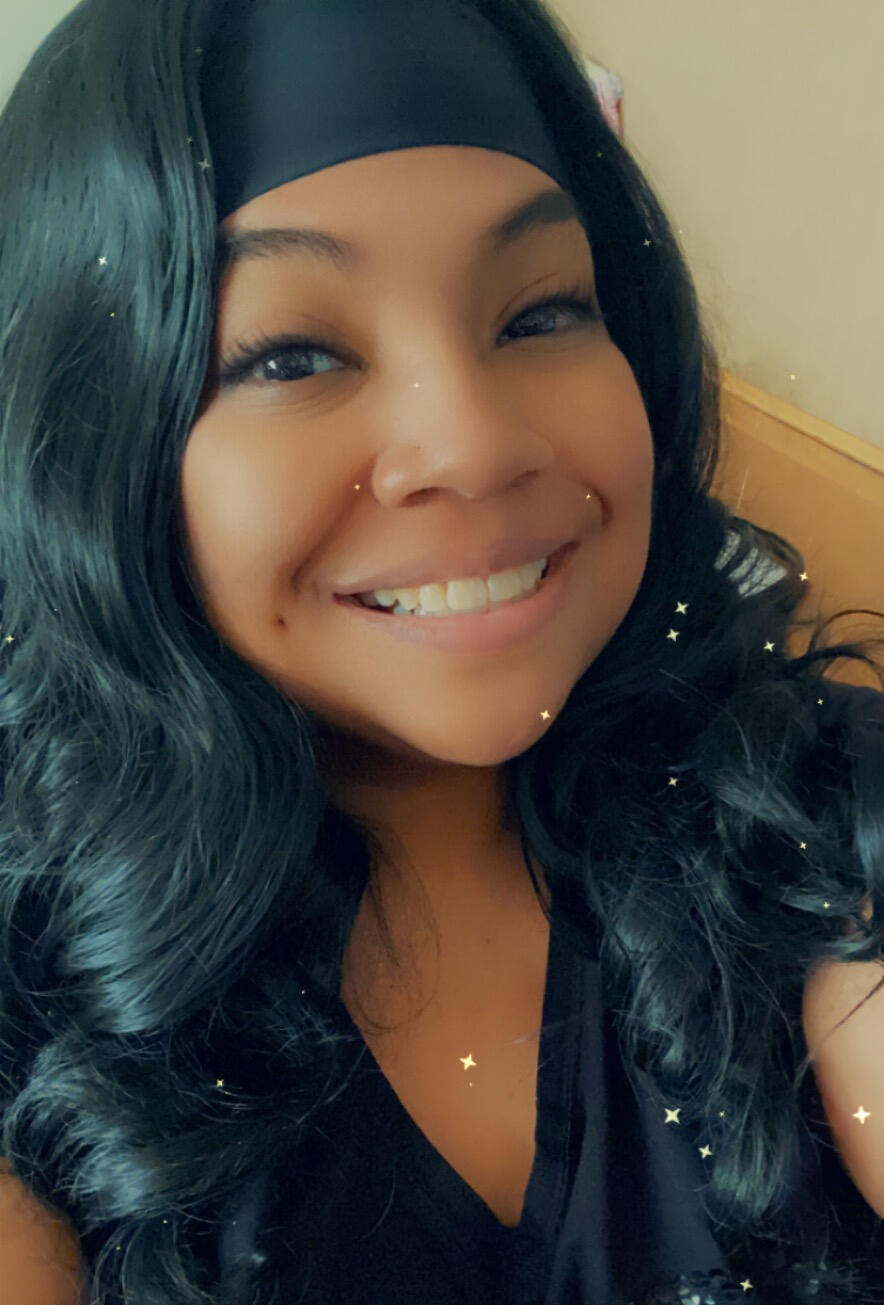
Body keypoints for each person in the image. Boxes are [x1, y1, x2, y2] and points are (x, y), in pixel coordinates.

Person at [0, 1, 882, 1302]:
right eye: (291, 355)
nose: (474, 443)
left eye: (540, 314)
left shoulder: (820, 817)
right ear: (94, 447)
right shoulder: (34, 987)